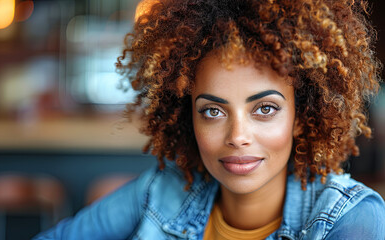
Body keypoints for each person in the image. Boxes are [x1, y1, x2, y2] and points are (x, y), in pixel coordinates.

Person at [34, 0, 385, 239]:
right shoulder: (160, 194)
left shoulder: (350, 218)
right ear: (189, 116)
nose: (237, 136)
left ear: (300, 116)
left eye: (264, 109)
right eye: (213, 111)